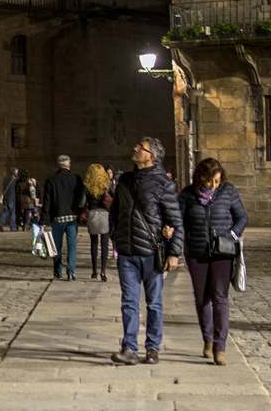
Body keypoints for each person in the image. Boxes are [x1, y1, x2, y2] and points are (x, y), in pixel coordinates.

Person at [109, 137, 183, 365]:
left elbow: (175, 220)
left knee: (154, 302)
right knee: (129, 301)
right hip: (127, 253)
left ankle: (152, 347)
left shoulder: (164, 183)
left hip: (152, 252)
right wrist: (116, 237)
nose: (135, 148)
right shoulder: (125, 180)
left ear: (151, 156)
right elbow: (116, 213)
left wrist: (174, 252)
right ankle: (129, 348)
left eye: (140, 147)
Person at [178, 157, 248, 365]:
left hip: (223, 252)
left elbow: (242, 217)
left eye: (217, 181)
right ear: (200, 177)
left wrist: (232, 235)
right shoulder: (187, 195)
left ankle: (220, 346)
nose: (213, 185)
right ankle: (207, 339)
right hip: (197, 252)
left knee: (220, 296)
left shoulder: (229, 192)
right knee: (202, 299)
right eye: (210, 181)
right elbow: (179, 222)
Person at [40, 154, 85, 281]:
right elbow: (81, 198)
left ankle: (57, 271)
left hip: (58, 218)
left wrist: (43, 220)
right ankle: (71, 272)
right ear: (69, 165)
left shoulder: (51, 180)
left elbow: (47, 202)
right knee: (72, 245)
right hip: (72, 217)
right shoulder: (76, 179)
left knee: (57, 246)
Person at [83, 163, 112, 281]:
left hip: (92, 214)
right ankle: (103, 271)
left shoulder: (87, 187)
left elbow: (82, 202)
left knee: (93, 243)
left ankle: (94, 269)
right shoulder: (106, 186)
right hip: (104, 215)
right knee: (104, 245)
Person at [0, 167, 18, 232]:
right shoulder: (14, 179)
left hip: (5, 197)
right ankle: (12, 227)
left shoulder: (5, 178)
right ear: (15, 173)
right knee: (12, 213)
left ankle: (1, 223)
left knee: (5, 211)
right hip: (11, 198)